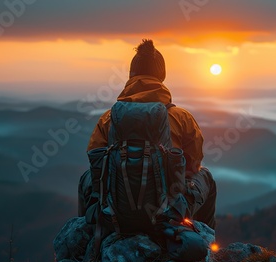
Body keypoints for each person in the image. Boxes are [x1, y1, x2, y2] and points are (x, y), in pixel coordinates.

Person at [86, 39, 216, 229]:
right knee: (206, 177)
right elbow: (194, 164)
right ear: (161, 76)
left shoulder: (109, 119)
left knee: (85, 180)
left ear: (131, 75)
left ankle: (89, 235)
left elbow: (94, 163)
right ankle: (201, 240)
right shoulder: (181, 117)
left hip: (116, 213)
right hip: (168, 212)